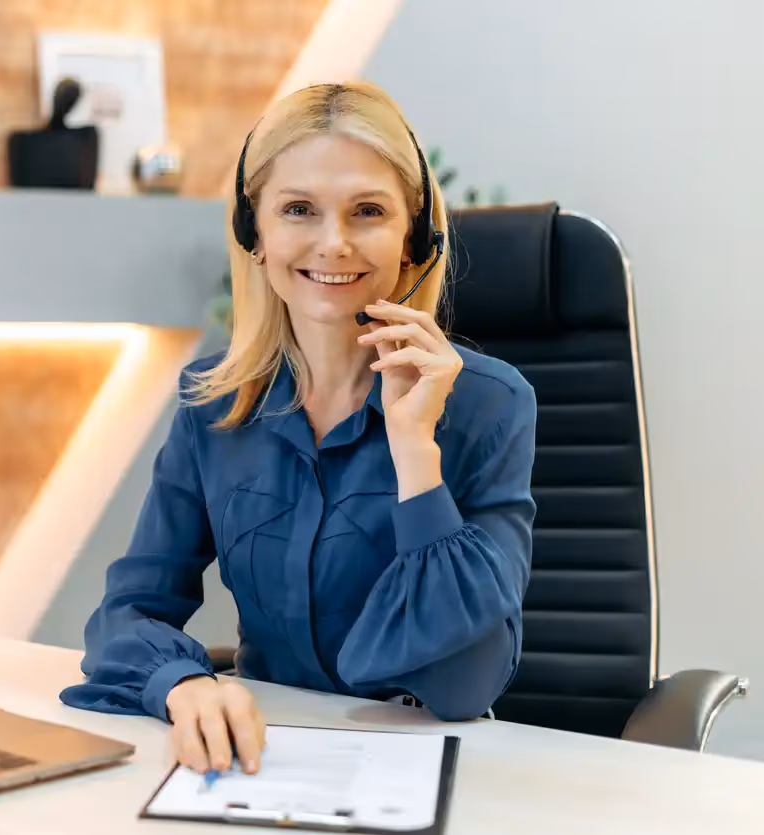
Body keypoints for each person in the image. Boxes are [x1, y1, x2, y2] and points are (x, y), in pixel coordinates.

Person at [59, 82, 536, 777]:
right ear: (256, 235)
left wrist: (413, 448)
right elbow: (129, 611)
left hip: (433, 771)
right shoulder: (215, 403)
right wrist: (182, 683)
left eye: (368, 211)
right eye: (297, 210)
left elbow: (461, 686)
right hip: (264, 761)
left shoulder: (488, 403)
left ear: (415, 238)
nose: (332, 242)